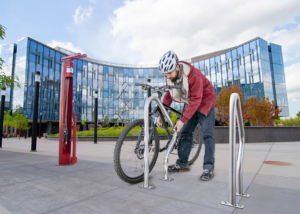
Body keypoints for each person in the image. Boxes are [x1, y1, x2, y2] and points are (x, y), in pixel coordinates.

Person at [157, 50, 216, 181]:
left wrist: (183, 120)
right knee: (185, 133)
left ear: (177, 67)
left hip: (205, 101)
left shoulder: (194, 76)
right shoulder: (172, 76)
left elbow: (197, 99)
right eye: (165, 73)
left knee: (208, 134)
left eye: (169, 72)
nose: (167, 76)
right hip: (192, 102)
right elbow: (168, 96)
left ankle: (208, 168)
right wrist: (162, 114)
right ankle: (182, 163)